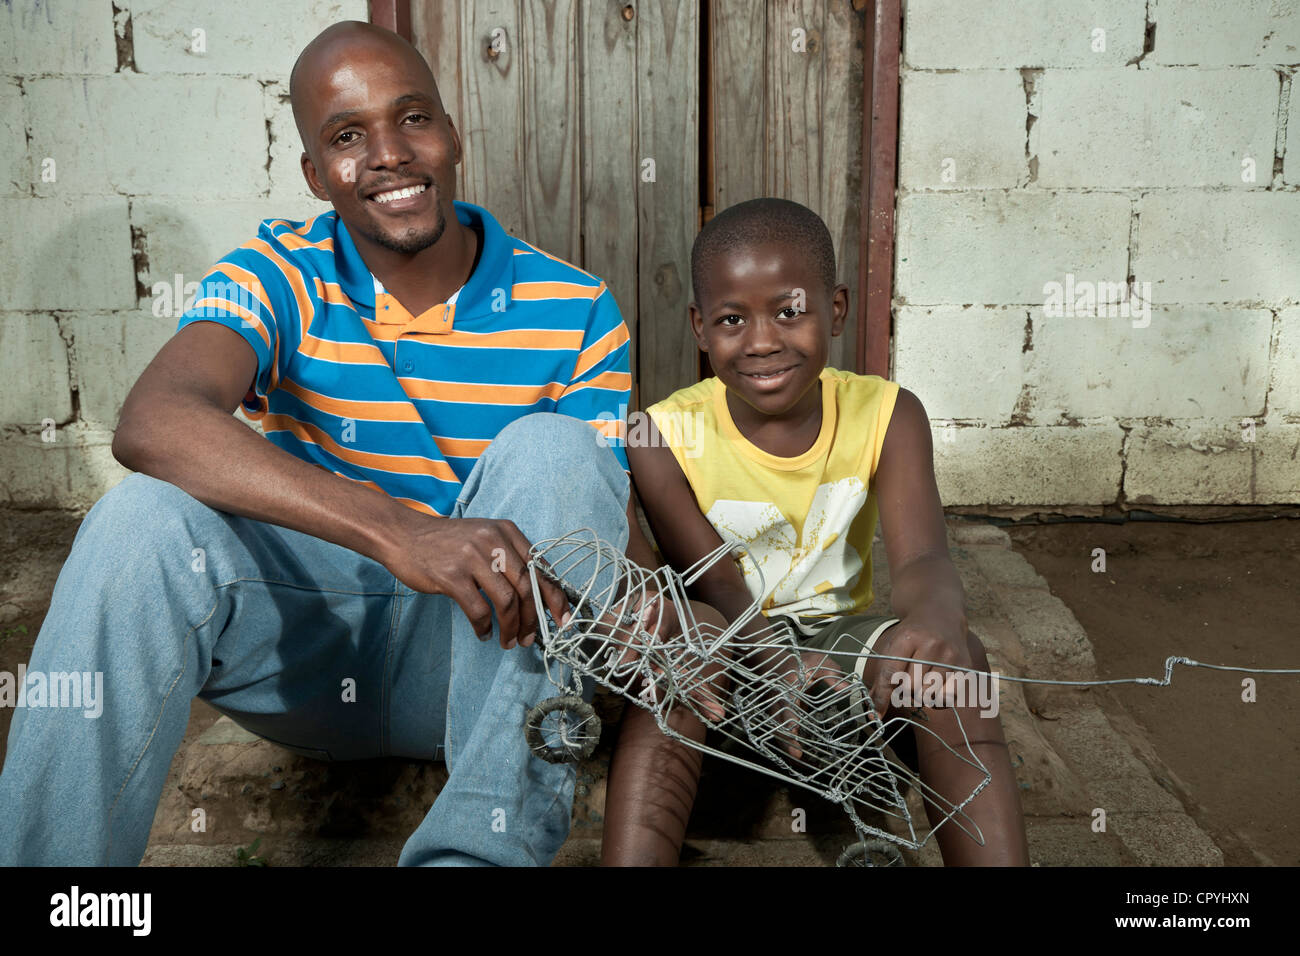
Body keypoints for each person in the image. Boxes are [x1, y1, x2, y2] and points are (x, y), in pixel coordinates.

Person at [0, 20, 658, 867]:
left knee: (556, 452)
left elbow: (590, 518)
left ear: (452, 135)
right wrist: (401, 530)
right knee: (139, 522)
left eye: (413, 118)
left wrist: (675, 612)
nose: (388, 153)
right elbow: (154, 420)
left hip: (476, 663)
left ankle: (474, 858)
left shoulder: (575, 306)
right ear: (316, 174)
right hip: (301, 652)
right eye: (349, 136)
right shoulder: (276, 274)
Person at [603, 198, 1031, 866]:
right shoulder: (658, 435)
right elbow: (712, 576)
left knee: (958, 668)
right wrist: (776, 662)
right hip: (726, 639)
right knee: (679, 658)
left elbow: (921, 558)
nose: (763, 340)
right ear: (699, 327)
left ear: (835, 308)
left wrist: (939, 623)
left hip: (837, 644)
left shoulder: (888, 414)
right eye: (731, 319)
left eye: (790, 311)